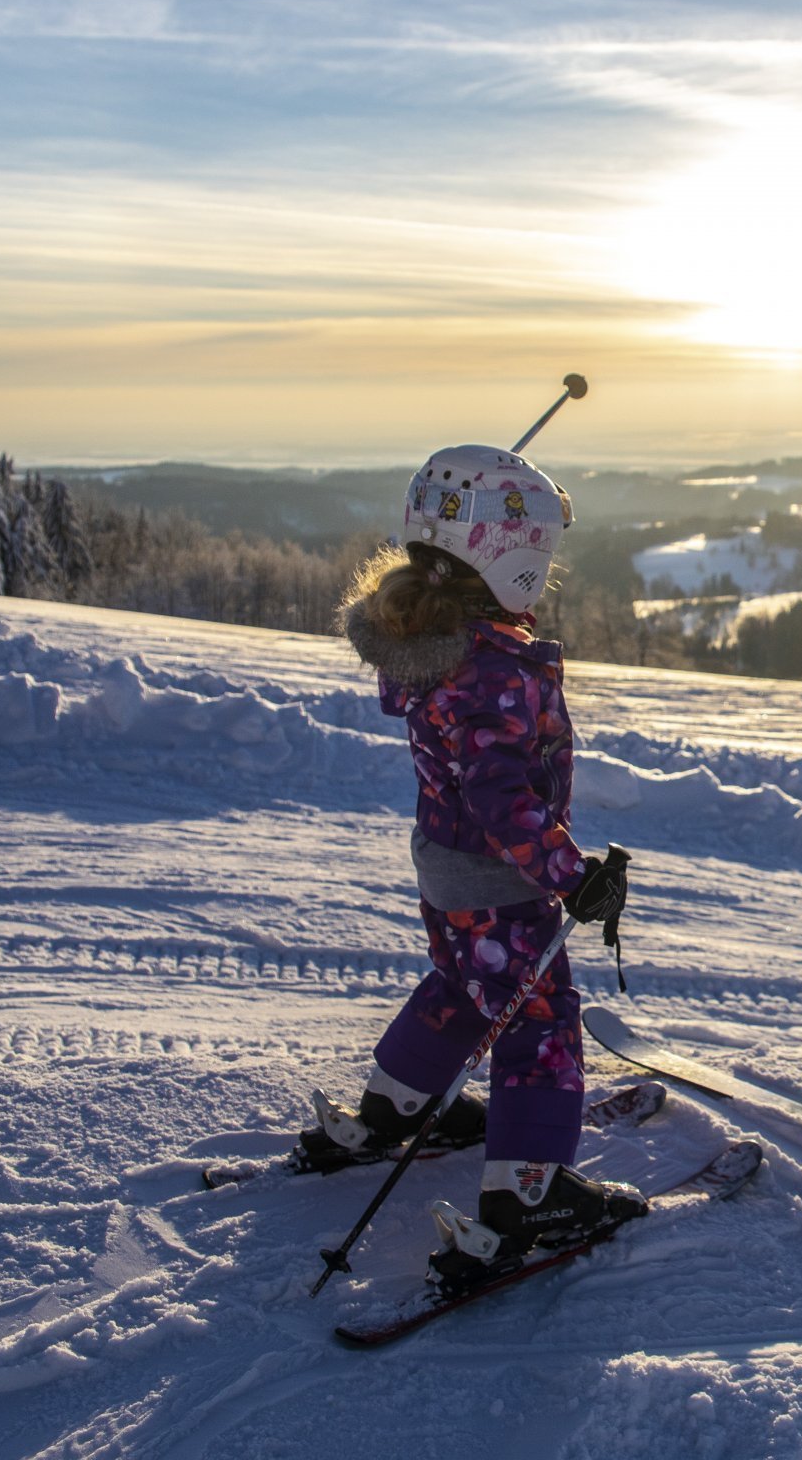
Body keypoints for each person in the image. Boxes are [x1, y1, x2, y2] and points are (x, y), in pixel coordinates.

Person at [309, 443, 641, 1273]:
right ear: (510, 555)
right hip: (500, 880)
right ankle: (527, 1192)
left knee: (464, 986)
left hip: (446, 869)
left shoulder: (441, 643)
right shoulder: (493, 667)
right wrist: (573, 874)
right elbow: (504, 803)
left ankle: (393, 1105)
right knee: (538, 1021)